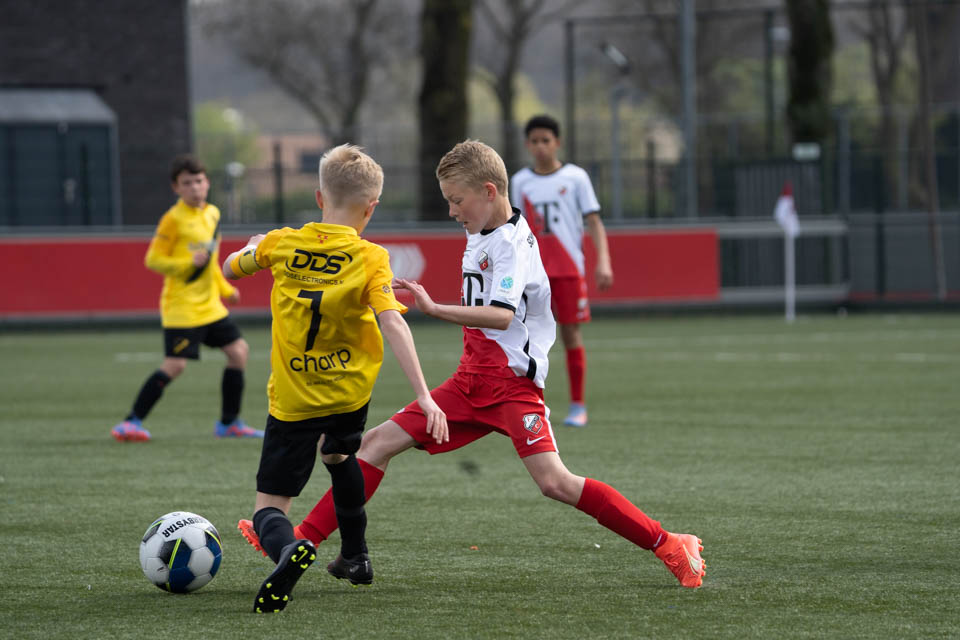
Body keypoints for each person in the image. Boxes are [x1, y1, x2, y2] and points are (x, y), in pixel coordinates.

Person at [238, 140, 706, 589]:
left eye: (456, 200)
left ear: (489, 192)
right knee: (376, 443)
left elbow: (502, 316)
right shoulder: (482, 232)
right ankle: (298, 543)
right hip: (468, 383)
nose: (451, 211)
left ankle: (669, 542)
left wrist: (435, 308)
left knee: (555, 482)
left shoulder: (511, 246)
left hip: (510, 388)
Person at [221, 144, 447, 613]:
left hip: (294, 398)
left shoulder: (281, 243)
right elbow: (393, 322)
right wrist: (423, 395)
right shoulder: (372, 258)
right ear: (372, 207)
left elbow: (229, 268)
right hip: (348, 395)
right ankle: (355, 556)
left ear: (319, 198)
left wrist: (250, 247)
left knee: (269, 506)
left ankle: (289, 549)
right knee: (341, 453)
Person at [110, 154, 259, 442]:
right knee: (176, 365)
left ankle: (229, 424)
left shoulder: (213, 213)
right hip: (182, 307)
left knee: (238, 352)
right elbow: (152, 259)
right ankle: (130, 422)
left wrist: (227, 290)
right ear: (176, 188)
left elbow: (212, 261)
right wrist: (187, 263)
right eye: (187, 183)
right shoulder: (172, 219)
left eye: (199, 181)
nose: (194, 187)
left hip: (210, 306)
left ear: (207, 183)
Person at [510, 114, 614, 428]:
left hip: (569, 269)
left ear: (557, 142)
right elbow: (516, 227)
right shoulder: (520, 181)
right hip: (533, 271)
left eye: (546, 140)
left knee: (570, 333)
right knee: (526, 337)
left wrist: (603, 261)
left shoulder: (576, 177)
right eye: (534, 141)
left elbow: (594, 221)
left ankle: (577, 405)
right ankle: (531, 405)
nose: (540, 147)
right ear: (528, 145)